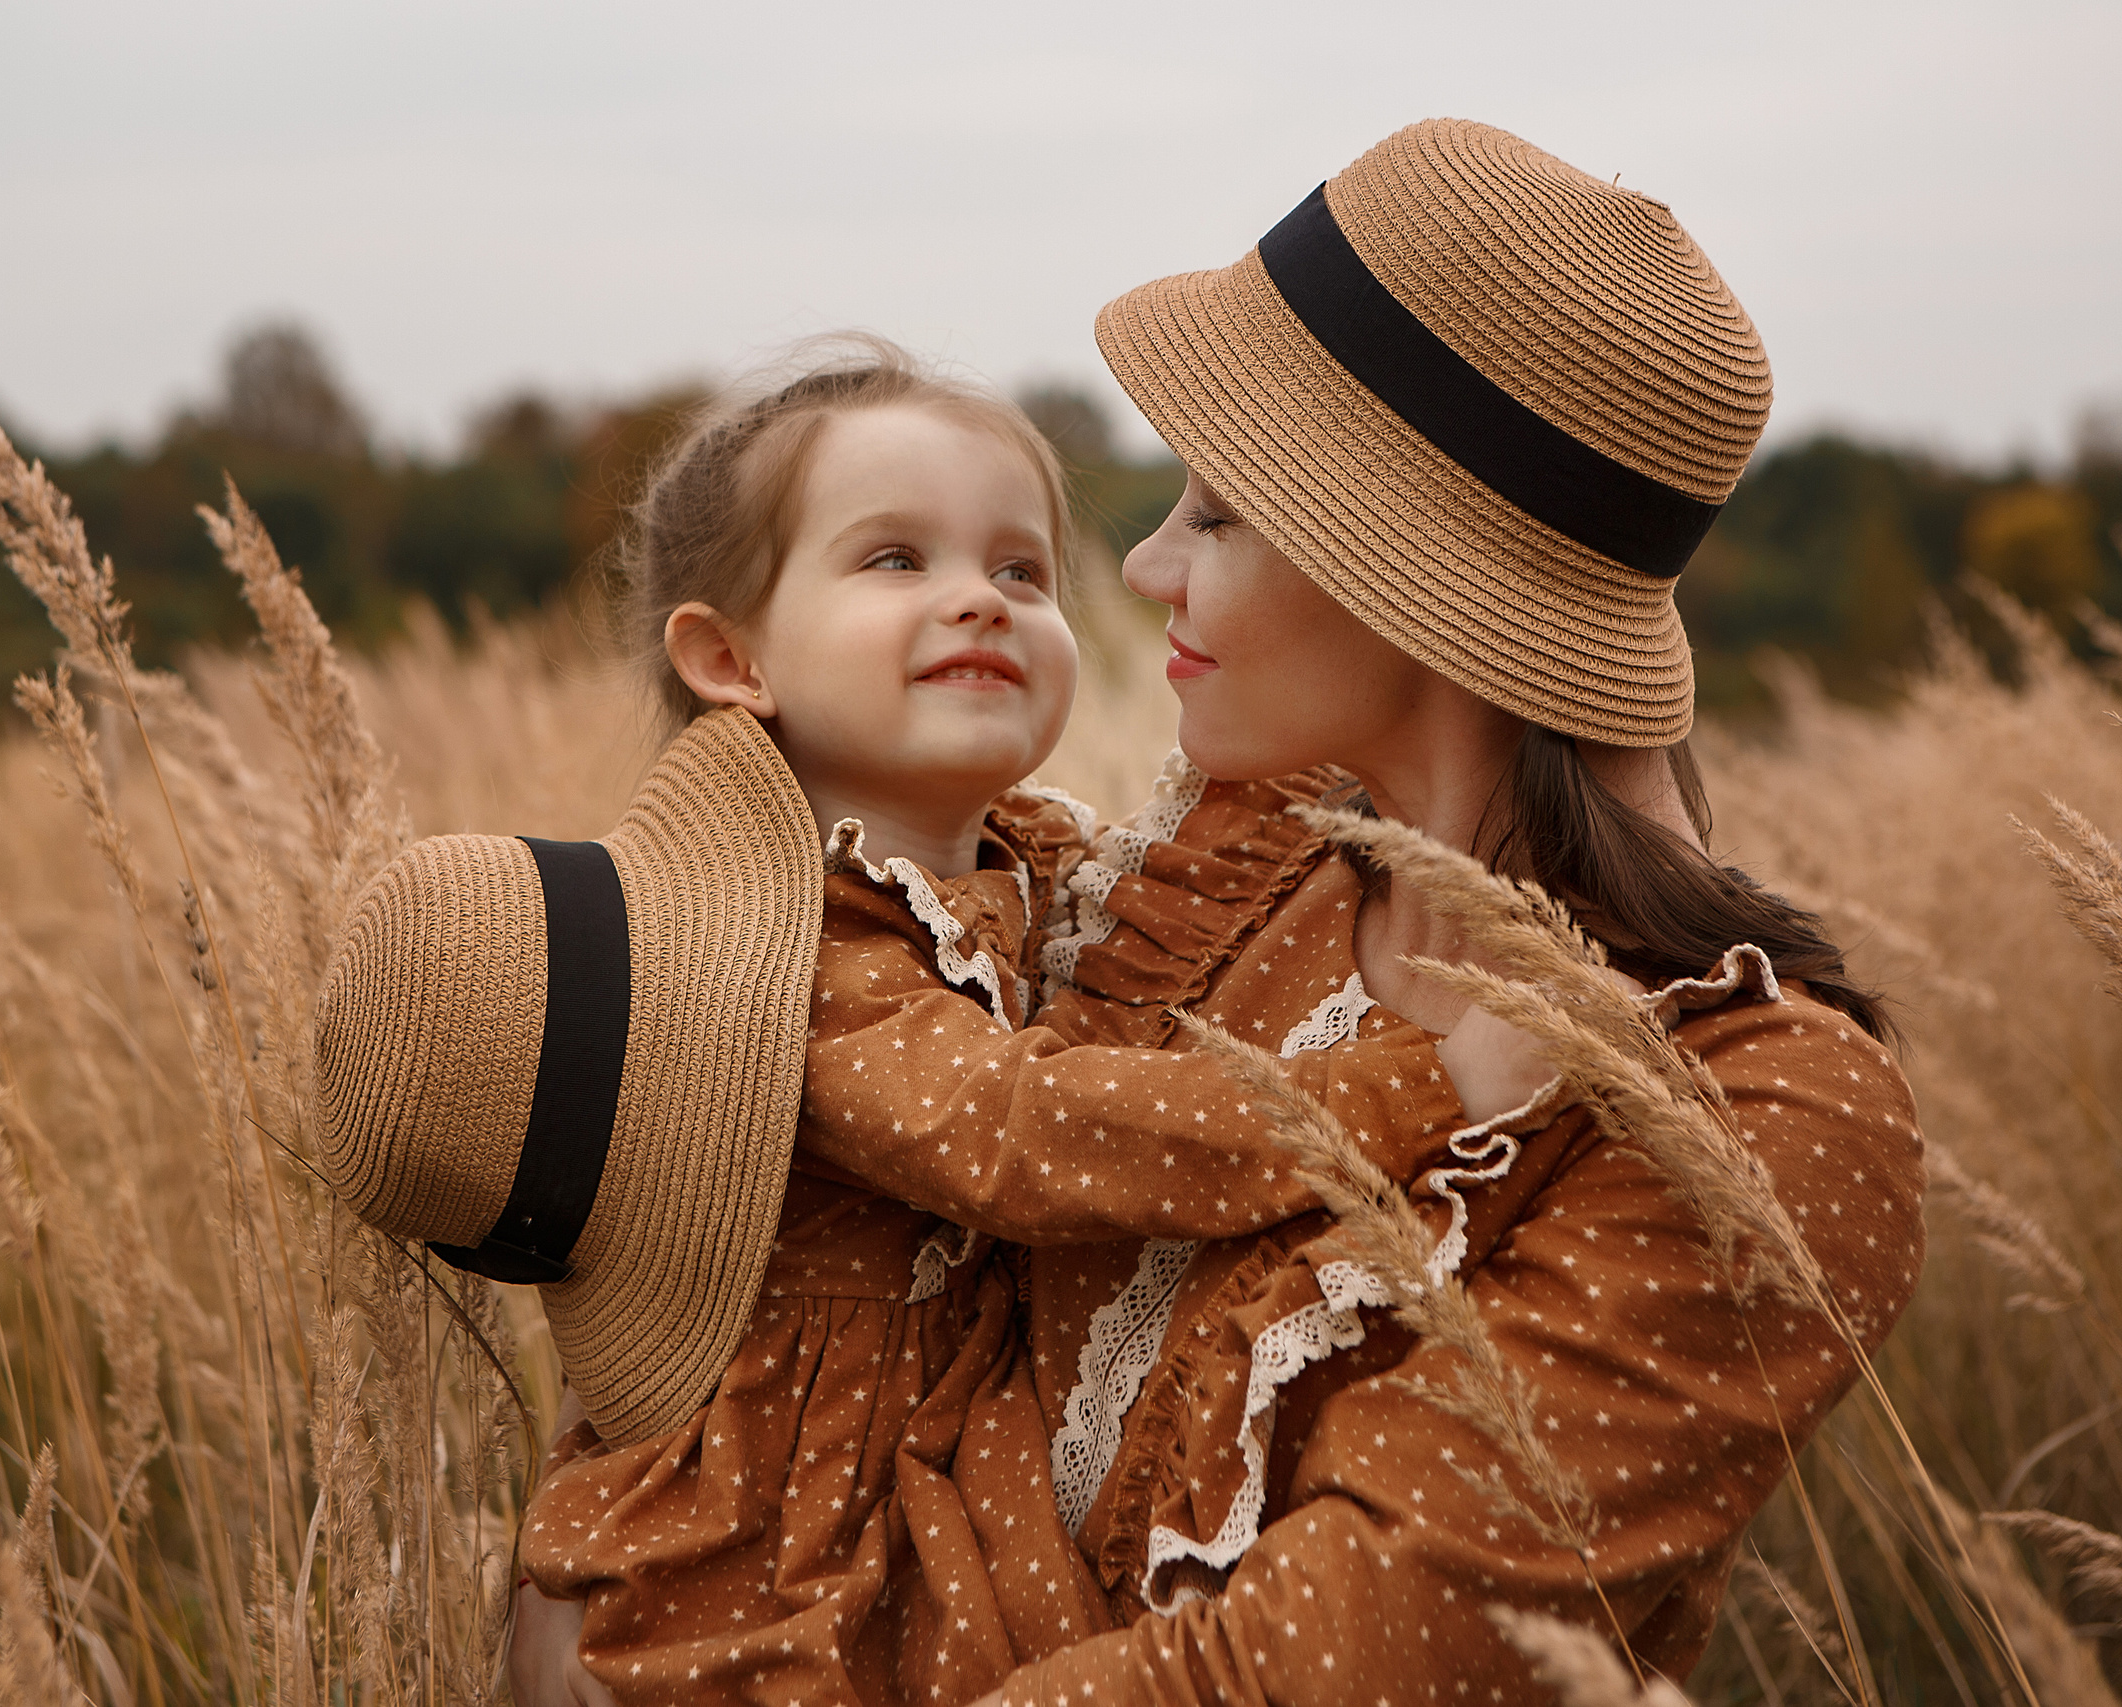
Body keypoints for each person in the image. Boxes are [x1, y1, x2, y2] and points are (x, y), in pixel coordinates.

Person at [518, 118, 1928, 1705]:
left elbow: (1315, 1667)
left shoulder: (1753, 1111)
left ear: (1399, 559)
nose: (1136, 566)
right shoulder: (1226, 872)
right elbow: (874, 1204)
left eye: (1218, 513)